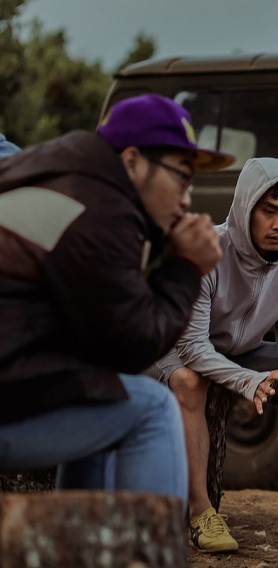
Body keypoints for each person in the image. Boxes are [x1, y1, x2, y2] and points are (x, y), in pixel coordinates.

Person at [0, 94, 233, 506]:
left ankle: (89, 561)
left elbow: (103, 347)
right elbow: (133, 345)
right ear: (131, 161)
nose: (186, 199)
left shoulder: (64, 174)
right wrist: (185, 267)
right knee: (152, 409)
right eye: (181, 177)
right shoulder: (101, 210)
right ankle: (147, 566)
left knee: (105, 395)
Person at [149, 157, 278, 553]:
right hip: (174, 346)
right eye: (269, 212)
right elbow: (192, 346)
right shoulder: (208, 251)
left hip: (245, 352)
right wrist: (248, 380)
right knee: (189, 381)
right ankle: (200, 513)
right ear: (245, 207)